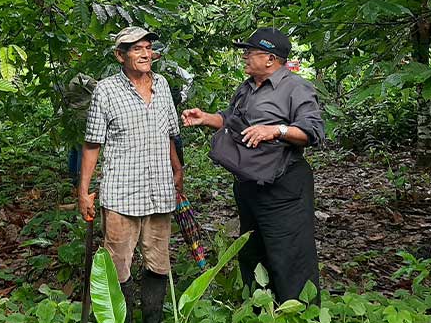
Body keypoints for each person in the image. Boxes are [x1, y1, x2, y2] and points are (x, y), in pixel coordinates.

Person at [181, 28, 324, 303]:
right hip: (248, 185)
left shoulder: (296, 88)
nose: (244, 57)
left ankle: (299, 313)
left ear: (270, 59)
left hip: (284, 187)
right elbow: (233, 120)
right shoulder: (247, 87)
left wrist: (276, 130)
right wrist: (206, 118)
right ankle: (260, 310)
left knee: (289, 255)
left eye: (250, 52)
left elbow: (313, 131)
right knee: (253, 253)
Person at [78, 26, 184, 323]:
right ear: (120, 55)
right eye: (137, 49)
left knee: (159, 262)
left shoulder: (162, 85)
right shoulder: (106, 90)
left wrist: (178, 170)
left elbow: (169, 135)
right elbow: (92, 143)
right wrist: (83, 191)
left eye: (148, 48)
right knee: (117, 265)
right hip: (122, 195)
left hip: (160, 192)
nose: (145, 54)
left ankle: (152, 319)